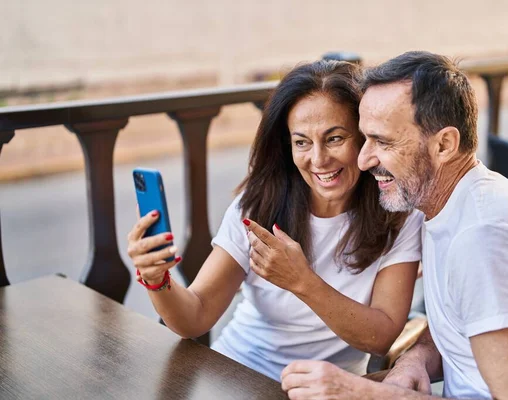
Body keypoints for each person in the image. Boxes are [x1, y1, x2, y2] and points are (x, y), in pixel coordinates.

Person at [280, 51, 508, 399]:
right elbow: (462, 322)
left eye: (384, 142)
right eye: (364, 138)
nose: (364, 159)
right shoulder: (443, 204)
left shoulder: (486, 238)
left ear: (444, 144)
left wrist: (362, 393)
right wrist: (415, 359)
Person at [126, 59, 424, 381]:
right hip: (236, 375)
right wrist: (157, 279)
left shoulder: (397, 210)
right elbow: (195, 316)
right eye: (302, 142)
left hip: (323, 387)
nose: (319, 159)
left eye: (335, 138)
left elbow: (381, 338)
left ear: (364, 136)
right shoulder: (258, 206)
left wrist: (302, 282)